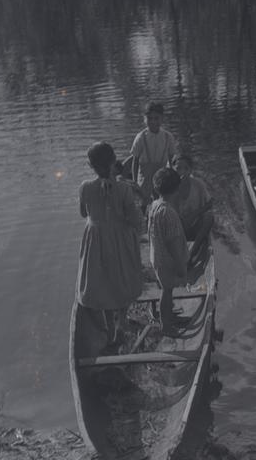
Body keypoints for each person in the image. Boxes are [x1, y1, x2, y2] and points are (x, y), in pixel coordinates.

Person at [77, 142, 143, 345]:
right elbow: (135, 218)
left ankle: (110, 327)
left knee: (101, 279)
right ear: (114, 162)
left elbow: (83, 213)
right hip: (119, 237)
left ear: (91, 166)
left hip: (95, 238)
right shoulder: (123, 188)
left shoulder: (85, 187)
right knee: (122, 276)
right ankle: (122, 322)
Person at [148, 167, 193, 336]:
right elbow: (173, 242)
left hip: (157, 256)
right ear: (177, 188)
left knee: (168, 290)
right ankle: (166, 325)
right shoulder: (168, 212)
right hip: (168, 260)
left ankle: (169, 317)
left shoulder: (154, 205)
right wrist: (181, 266)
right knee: (166, 292)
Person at [129, 102, 177, 206]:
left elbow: (171, 158)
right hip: (145, 175)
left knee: (161, 200)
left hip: (161, 174)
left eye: (156, 118)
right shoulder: (141, 137)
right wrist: (134, 182)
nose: (153, 121)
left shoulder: (168, 137)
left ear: (162, 118)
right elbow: (135, 160)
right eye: (149, 118)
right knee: (144, 202)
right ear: (144, 119)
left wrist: (173, 176)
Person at [172, 155, 214, 267]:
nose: (182, 172)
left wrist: (195, 214)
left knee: (209, 217)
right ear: (173, 169)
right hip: (177, 228)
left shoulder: (198, 184)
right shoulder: (170, 186)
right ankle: (175, 256)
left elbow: (210, 203)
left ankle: (191, 254)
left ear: (190, 170)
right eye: (178, 168)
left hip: (194, 226)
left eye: (186, 169)